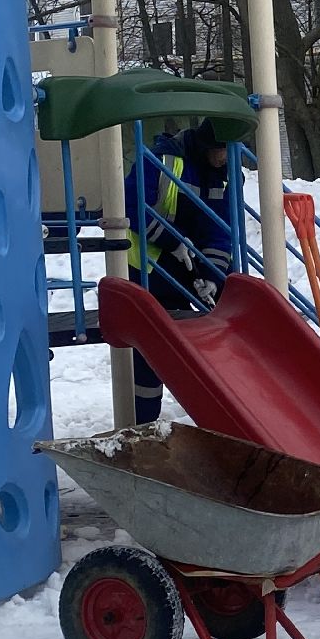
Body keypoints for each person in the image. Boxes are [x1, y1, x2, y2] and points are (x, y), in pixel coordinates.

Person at [122, 117, 234, 423]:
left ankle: (227, 407)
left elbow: (222, 229)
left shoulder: (224, 173)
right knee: (151, 347)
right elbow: (130, 208)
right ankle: (143, 421)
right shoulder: (160, 161)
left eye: (229, 150)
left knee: (228, 322)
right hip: (149, 264)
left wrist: (212, 276)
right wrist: (173, 242)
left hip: (191, 264)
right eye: (220, 150)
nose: (225, 156)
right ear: (204, 144)